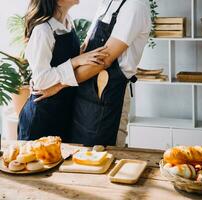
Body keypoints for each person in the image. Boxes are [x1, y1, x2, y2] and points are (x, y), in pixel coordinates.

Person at [32, 0, 151, 146]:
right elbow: (86, 49)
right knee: (79, 157)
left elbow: (103, 60)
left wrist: (58, 85)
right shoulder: (106, 3)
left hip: (109, 96)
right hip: (83, 94)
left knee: (103, 156)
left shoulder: (134, 6)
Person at [18, 0, 108, 142]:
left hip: (62, 112)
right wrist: (76, 61)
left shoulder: (67, 22)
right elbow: (41, 81)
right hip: (41, 117)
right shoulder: (43, 30)